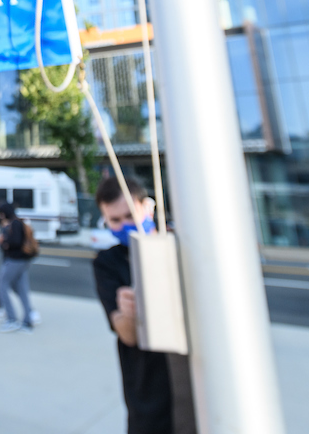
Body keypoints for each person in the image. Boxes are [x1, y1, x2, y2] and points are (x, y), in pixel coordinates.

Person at [92, 176, 196, 434]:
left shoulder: (183, 245)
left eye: (130, 215)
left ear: (147, 207)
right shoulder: (108, 262)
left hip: (197, 377)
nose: (125, 225)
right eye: (115, 220)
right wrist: (129, 313)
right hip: (148, 384)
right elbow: (125, 333)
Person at [0, 202, 35, 332]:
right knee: (22, 289)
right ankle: (28, 320)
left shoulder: (14, 224)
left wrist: (4, 242)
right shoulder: (19, 223)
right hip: (23, 261)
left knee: (2, 285)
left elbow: (15, 242)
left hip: (14, 260)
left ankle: (11, 319)